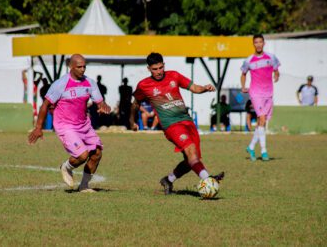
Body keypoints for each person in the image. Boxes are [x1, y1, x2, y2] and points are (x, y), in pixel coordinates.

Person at [130, 52, 224, 195]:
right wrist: (132, 121)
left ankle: (168, 180)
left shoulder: (174, 75)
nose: (159, 72)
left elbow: (194, 87)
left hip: (187, 121)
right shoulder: (144, 85)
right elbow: (135, 103)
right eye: (155, 69)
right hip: (171, 126)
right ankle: (208, 179)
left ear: (164, 65)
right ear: (149, 69)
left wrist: (205, 88)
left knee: (191, 160)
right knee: (191, 151)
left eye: (161, 68)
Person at [28, 54, 111, 193]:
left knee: (97, 153)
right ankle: (66, 167)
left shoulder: (90, 83)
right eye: (79, 67)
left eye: (84, 66)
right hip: (66, 125)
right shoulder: (60, 84)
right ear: (71, 67)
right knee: (82, 155)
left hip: (84, 125)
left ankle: (84, 186)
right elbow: (45, 105)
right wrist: (38, 128)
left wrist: (103, 106)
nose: (83, 69)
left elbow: (99, 102)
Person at [241, 34, 280, 162]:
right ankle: (264, 151)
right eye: (256, 42)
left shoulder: (271, 57)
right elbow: (243, 73)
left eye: (260, 42)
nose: (258, 44)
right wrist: (243, 86)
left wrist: (276, 75)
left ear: (264, 43)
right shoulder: (249, 60)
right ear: (253, 44)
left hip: (268, 93)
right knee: (262, 119)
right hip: (255, 93)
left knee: (261, 123)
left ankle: (251, 147)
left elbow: (276, 69)